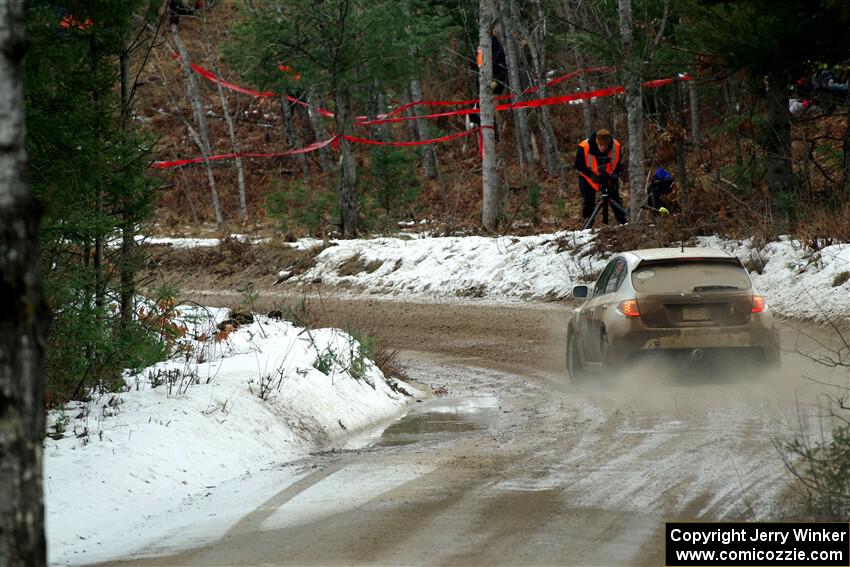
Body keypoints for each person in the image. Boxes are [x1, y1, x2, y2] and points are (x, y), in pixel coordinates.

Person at [574, 129, 627, 225]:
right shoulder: (584, 146)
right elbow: (578, 165)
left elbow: (618, 164)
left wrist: (614, 175)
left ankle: (623, 223)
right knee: (588, 203)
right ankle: (588, 226)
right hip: (588, 178)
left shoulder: (616, 146)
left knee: (615, 200)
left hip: (608, 177)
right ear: (596, 142)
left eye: (606, 146)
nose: (603, 148)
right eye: (601, 145)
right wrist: (593, 176)